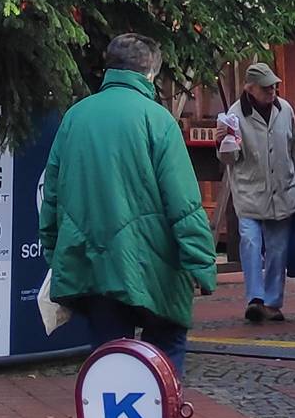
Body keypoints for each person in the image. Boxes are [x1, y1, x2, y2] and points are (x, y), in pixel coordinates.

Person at [40, 33, 216, 369]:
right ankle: (162, 416)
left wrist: (56, 252)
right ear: (150, 72)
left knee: (110, 357)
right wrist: (200, 264)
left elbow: (52, 195)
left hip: (93, 262)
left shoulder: (76, 117)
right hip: (154, 265)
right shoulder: (158, 119)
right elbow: (184, 202)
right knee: (167, 346)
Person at [216, 63, 295, 323]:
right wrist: (224, 141)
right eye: (266, 87)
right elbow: (229, 159)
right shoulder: (234, 115)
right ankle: (255, 299)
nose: (272, 91)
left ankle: (273, 303)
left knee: (278, 249)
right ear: (250, 88)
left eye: (274, 86)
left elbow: (294, 147)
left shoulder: (285, 109)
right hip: (250, 192)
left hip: (282, 191)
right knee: (251, 243)